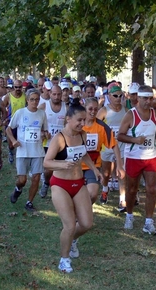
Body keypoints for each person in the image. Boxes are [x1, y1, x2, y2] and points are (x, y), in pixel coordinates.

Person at [43, 100, 103, 273]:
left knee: (86, 223)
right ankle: (64, 259)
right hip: (60, 184)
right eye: (79, 120)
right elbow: (47, 163)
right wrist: (63, 165)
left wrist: (95, 170)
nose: (82, 123)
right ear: (68, 119)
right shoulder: (59, 139)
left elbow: (84, 155)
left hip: (78, 183)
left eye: (84, 120)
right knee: (69, 225)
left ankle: (72, 240)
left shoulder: (83, 135)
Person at [117, 85, 156, 234]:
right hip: (134, 157)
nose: (148, 101)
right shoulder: (131, 114)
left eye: (150, 98)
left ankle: (149, 221)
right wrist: (135, 140)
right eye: (145, 98)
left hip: (151, 156)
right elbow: (120, 135)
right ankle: (129, 215)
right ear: (138, 98)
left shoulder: (155, 113)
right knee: (132, 189)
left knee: (151, 189)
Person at [6, 89, 50, 212]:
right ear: (27, 100)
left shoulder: (42, 114)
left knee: (36, 178)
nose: (35, 102)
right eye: (32, 99)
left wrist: (46, 134)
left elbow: (45, 130)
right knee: (22, 180)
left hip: (37, 152)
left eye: (37, 99)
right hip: (23, 151)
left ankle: (29, 202)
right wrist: (13, 141)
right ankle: (17, 189)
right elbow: (8, 129)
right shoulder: (20, 113)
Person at [82, 97, 125, 204]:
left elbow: (114, 145)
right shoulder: (78, 124)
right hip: (75, 164)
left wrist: (119, 165)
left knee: (92, 194)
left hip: (92, 166)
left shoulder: (102, 127)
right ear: (85, 109)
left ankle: (82, 214)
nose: (93, 112)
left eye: (96, 109)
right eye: (90, 109)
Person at [96, 84, 127, 205]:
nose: (118, 98)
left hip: (121, 146)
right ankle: (105, 189)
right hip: (107, 147)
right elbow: (96, 126)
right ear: (109, 97)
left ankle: (122, 198)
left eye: (120, 95)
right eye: (115, 96)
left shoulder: (125, 110)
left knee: (121, 173)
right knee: (106, 173)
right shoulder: (104, 110)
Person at [38, 85, 67, 198]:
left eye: (58, 94)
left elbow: (69, 124)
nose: (56, 96)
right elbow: (35, 121)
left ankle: (60, 190)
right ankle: (46, 183)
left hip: (61, 143)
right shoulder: (44, 106)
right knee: (49, 169)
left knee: (60, 168)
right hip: (47, 142)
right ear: (50, 94)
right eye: (54, 94)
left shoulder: (66, 107)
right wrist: (42, 132)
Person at [2, 80, 27, 164]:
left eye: (20, 87)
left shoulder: (25, 96)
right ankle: (11, 152)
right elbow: (2, 108)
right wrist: (4, 119)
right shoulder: (8, 96)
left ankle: (22, 157)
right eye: (16, 87)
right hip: (11, 123)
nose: (18, 89)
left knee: (22, 142)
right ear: (13, 87)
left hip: (22, 123)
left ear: (22, 87)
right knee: (11, 144)